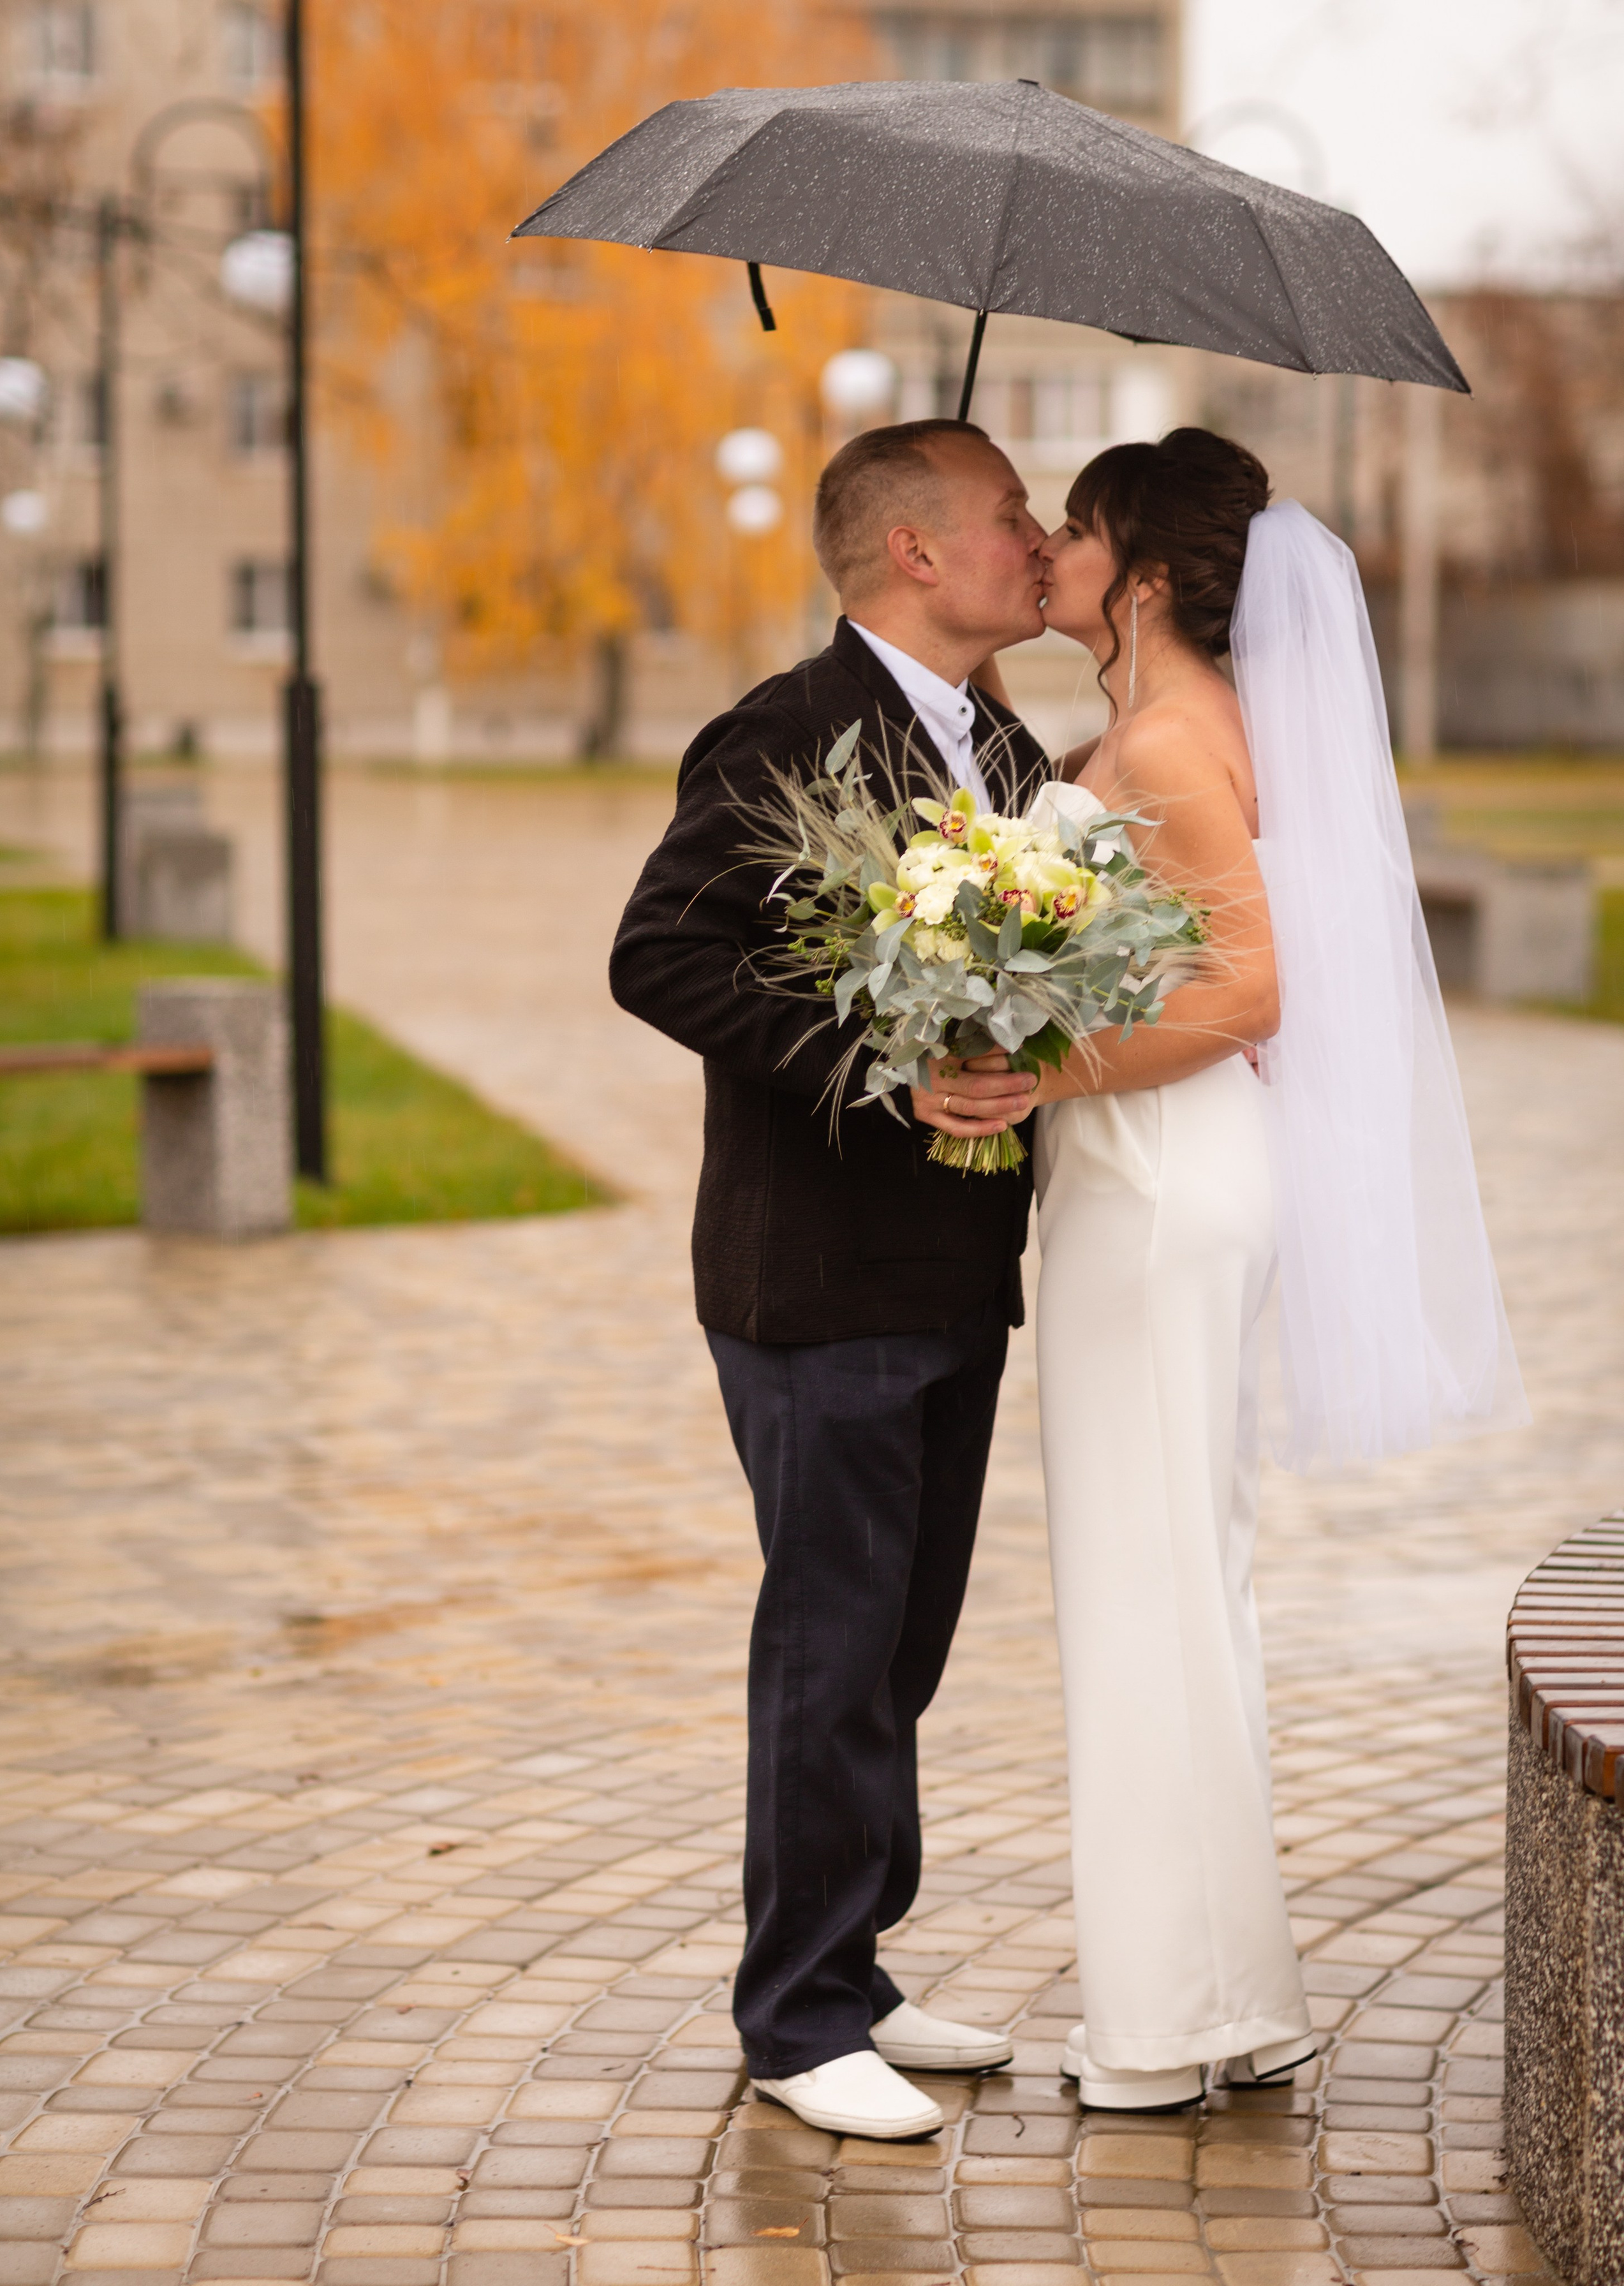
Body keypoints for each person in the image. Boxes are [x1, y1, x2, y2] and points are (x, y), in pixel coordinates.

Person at [956, 427, 1526, 2110]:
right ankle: (1234, 2001)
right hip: (1164, 1175)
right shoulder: (1165, 726)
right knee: (1186, 1577)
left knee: (1145, 1585)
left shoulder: (1166, 744)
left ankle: (1168, 2025)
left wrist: (1033, 1066)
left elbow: (1249, 990)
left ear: (1139, 574)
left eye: (1073, 527)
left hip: (1158, 1183)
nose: (1048, 549)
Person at [610, 418, 1052, 2139]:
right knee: (831, 1642)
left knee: (900, 1648)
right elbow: (660, 952)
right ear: (915, 551)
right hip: (814, 1275)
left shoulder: (1002, 747)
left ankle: (854, 1968)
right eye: (1010, 513)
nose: (1037, 537)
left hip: (956, 1260)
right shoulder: (786, 730)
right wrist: (878, 1064)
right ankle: (796, 2021)